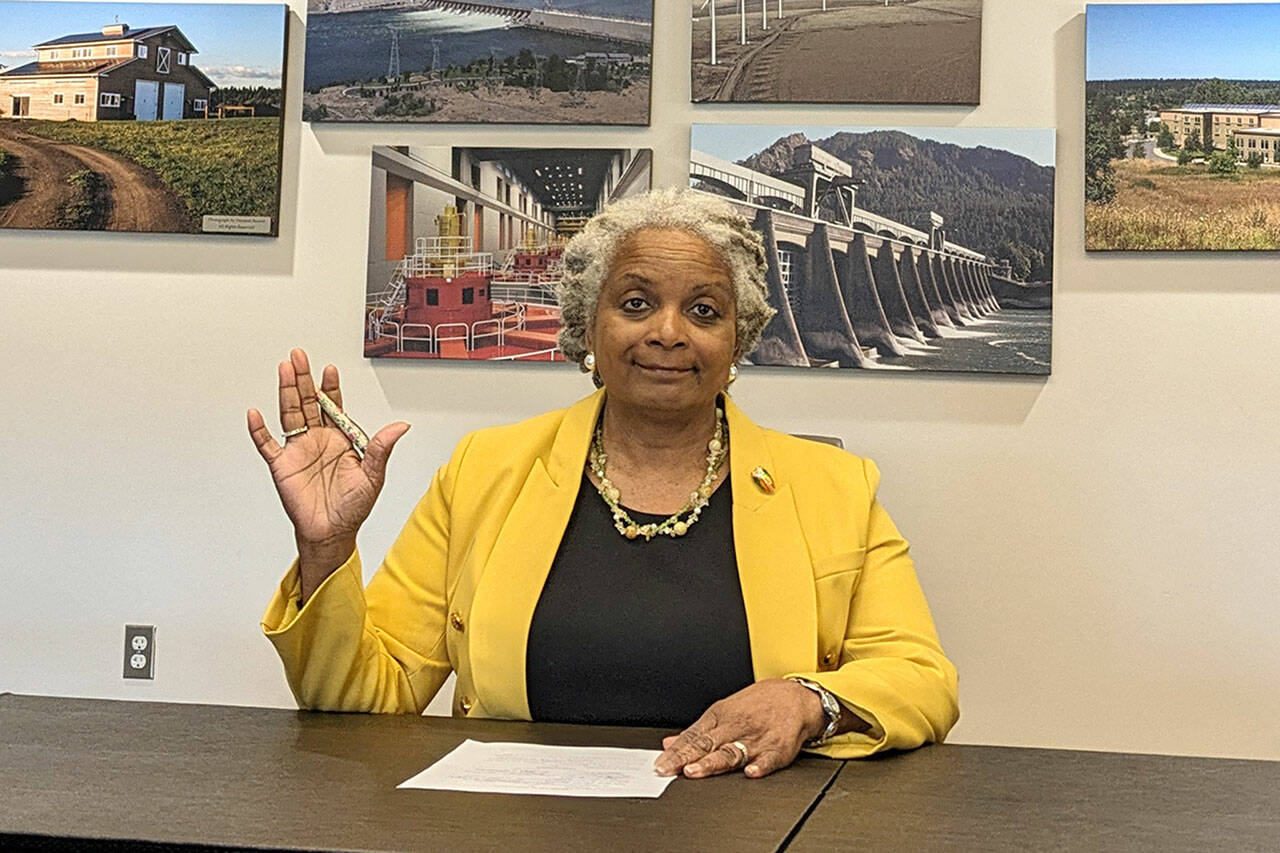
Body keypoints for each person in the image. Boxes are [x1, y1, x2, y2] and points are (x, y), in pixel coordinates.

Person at [249, 187, 958, 780]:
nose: (669, 332)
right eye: (637, 303)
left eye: (704, 311)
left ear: (737, 342)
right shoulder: (483, 472)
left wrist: (810, 700)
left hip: (748, 833)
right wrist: (327, 549)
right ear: (589, 326)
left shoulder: (836, 487)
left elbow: (921, 678)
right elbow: (361, 698)